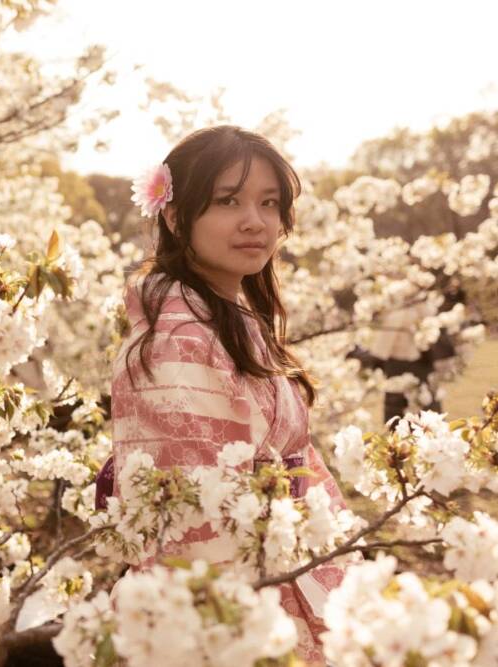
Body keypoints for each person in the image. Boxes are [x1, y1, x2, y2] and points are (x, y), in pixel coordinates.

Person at [94, 125, 352, 665]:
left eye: (269, 203)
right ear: (173, 214)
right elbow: (198, 527)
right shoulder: (179, 341)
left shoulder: (224, 316)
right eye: (228, 201)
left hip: (275, 573)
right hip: (223, 610)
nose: (255, 221)